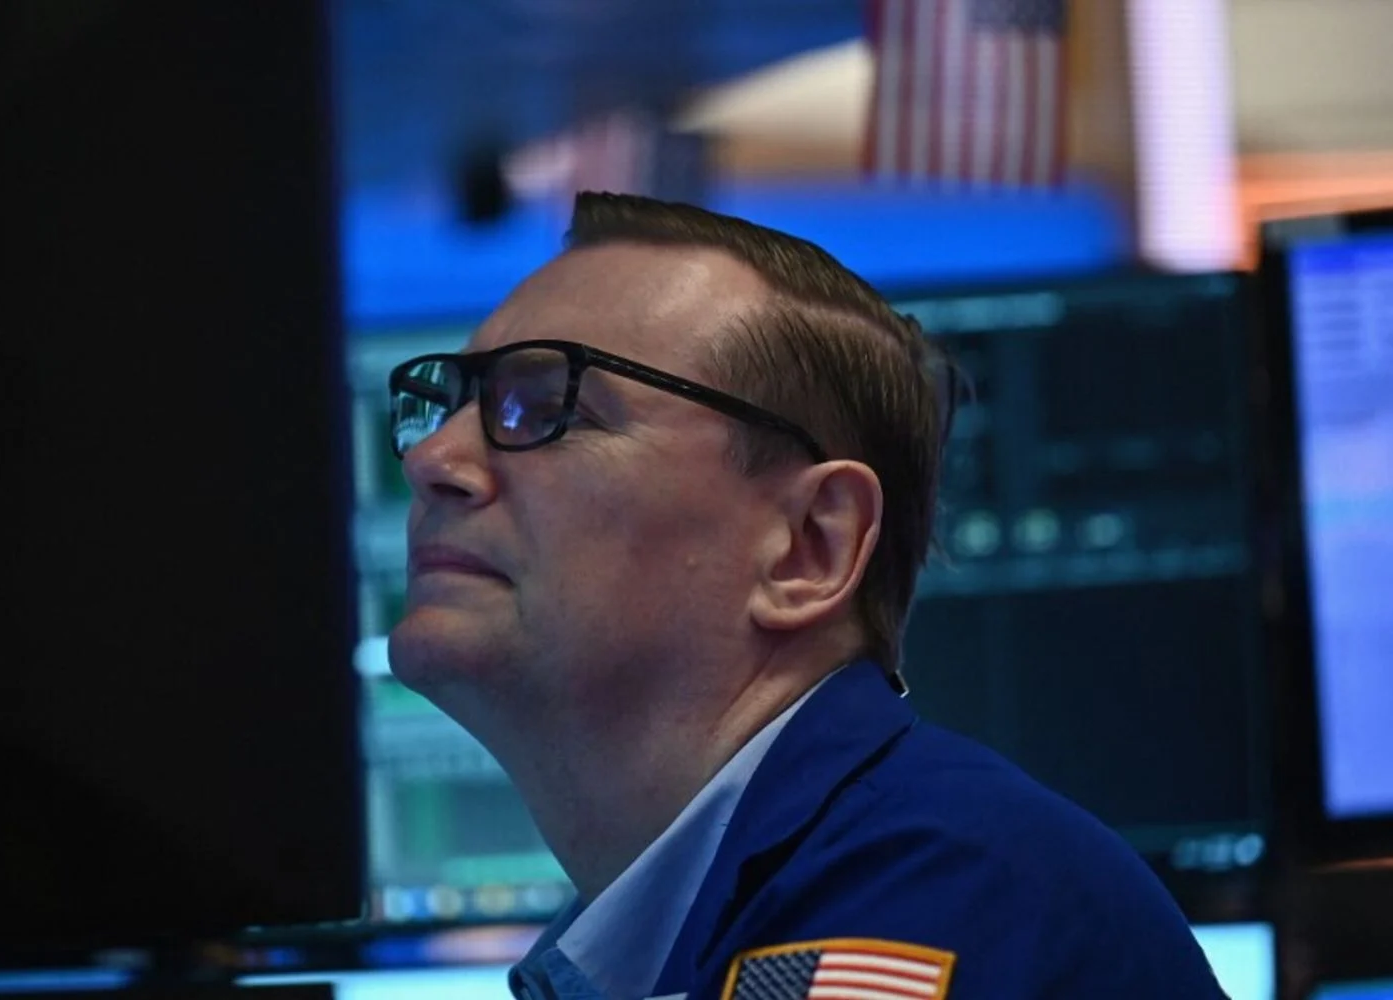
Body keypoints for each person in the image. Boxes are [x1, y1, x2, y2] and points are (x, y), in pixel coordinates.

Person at [386, 192, 1227, 1000]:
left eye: (548, 408)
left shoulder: (939, 896)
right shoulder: (763, 906)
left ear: (808, 548)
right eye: (446, 407)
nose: (432, 460)